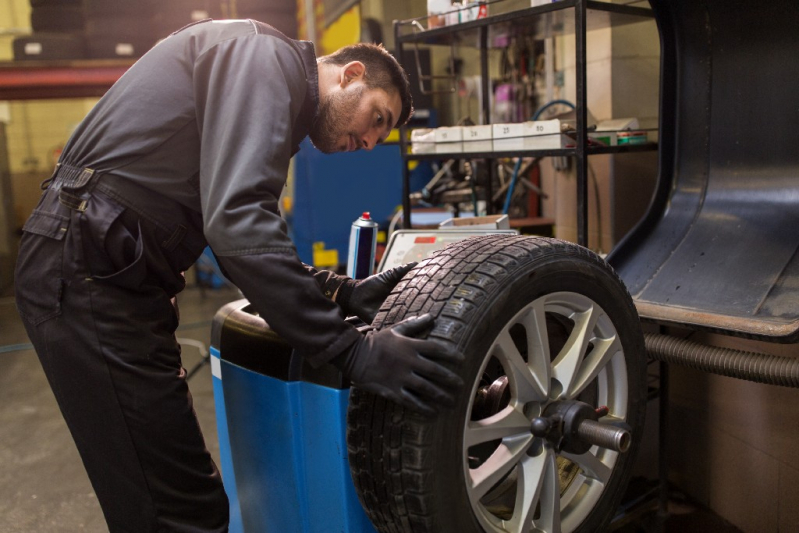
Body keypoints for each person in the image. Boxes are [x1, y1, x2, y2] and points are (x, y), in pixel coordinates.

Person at [14, 18, 464, 533]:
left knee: (171, 500)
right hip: (87, 271)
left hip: (108, 274)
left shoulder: (264, 81)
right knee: (176, 511)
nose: (368, 142)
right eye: (375, 118)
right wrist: (353, 351)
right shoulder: (264, 59)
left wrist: (339, 291)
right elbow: (238, 224)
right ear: (350, 75)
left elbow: (236, 234)